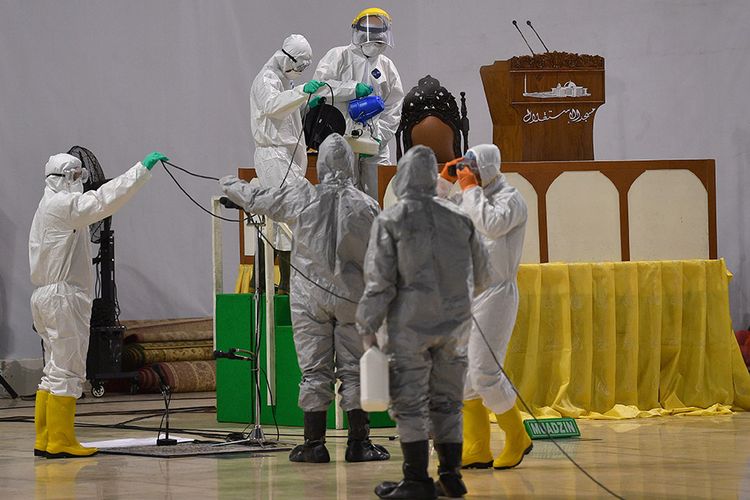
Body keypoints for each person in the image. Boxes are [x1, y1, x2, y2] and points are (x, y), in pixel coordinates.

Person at [221, 133, 389, 464]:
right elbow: (383, 255)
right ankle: (359, 443)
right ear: (351, 165)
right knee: (355, 369)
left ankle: (314, 444)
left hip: (310, 298)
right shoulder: (367, 205)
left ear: (321, 165)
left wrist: (229, 183)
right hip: (353, 299)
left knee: (314, 369)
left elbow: (257, 198)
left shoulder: (302, 198)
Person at [356, 145, 491, 499]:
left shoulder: (392, 219)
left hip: (409, 328)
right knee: (448, 401)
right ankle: (450, 476)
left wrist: (366, 326)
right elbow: (484, 274)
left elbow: (379, 281)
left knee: (411, 403)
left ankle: (416, 479)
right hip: (455, 326)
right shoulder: (459, 217)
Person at [30, 151, 165, 458]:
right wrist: (139, 171)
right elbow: (104, 200)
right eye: (76, 176)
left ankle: (46, 439)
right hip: (63, 298)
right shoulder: (64, 206)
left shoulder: (45, 206)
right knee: (68, 370)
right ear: (63, 178)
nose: (82, 181)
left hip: (44, 297)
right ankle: (61, 441)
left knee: (52, 370)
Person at [437, 144, 530, 470]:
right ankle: (477, 447)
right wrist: (445, 182)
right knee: (464, 376)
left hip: (497, 294)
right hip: (469, 293)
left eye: (473, 168)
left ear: (488, 168)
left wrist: (469, 189)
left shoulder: (511, 199)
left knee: (485, 372)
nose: (468, 173)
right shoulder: (468, 194)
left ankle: (517, 437)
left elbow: (490, 224)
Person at [250, 33, 327, 294]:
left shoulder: (281, 82)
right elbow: (272, 107)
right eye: (300, 65)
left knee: (283, 219)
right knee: (288, 217)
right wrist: (300, 92)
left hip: (286, 158)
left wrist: (307, 103)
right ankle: (281, 284)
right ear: (287, 57)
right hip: (273, 157)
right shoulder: (266, 80)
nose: (300, 72)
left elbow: (287, 118)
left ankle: (274, 282)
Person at [312, 7, 404, 200]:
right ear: (359, 33)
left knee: (381, 195)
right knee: (342, 197)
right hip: (341, 139)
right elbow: (321, 90)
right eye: (371, 35)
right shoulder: (338, 56)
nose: (375, 42)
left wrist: (379, 138)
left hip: (376, 144)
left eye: (379, 36)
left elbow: (393, 107)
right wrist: (352, 89)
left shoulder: (386, 66)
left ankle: (380, 231)